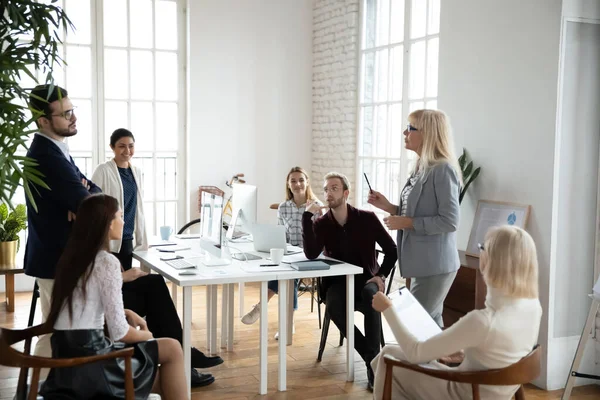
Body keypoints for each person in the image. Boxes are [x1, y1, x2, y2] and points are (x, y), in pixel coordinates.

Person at [92, 128, 220, 386]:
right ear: (112, 147)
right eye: (121, 146)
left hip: (126, 239)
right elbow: (95, 207)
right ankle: (184, 357)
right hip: (111, 244)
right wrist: (121, 275)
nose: (126, 150)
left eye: (130, 145)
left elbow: (136, 209)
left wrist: (142, 243)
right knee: (154, 287)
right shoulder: (103, 172)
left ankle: (183, 355)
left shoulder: (136, 172)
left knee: (155, 283)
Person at [39, 194, 188, 400]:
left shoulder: (72, 258)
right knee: (172, 348)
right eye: (120, 216)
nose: (124, 221)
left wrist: (125, 311)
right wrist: (147, 334)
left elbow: (85, 307)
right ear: (108, 224)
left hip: (66, 363)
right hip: (91, 362)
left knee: (165, 377)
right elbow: (120, 332)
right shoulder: (106, 262)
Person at [371, 225, 542, 400]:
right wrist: (467, 353)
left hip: (463, 393)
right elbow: (501, 353)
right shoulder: (533, 308)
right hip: (489, 391)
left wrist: (388, 309)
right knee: (388, 354)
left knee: (386, 358)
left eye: (482, 247)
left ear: (491, 262)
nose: (480, 251)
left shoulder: (483, 321)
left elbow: (415, 352)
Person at [24, 84, 101, 358]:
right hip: (56, 257)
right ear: (43, 120)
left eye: (72, 110)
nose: (73, 118)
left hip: (58, 255)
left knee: (58, 331)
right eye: (66, 113)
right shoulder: (46, 155)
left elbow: (94, 193)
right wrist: (81, 202)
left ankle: (41, 388)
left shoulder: (57, 149)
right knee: (57, 333)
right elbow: (90, 204)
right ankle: (41, 388)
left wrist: (83, 197)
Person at [303, 172, 398, 390]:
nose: (329, 193)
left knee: (372, 295)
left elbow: (392, 250)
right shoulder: (322, 223)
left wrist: (381, 275)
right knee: (334, 303)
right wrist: (307, 217)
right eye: (326, 189)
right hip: (337, 283)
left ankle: (372, 362)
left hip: (367, 280)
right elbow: (310, 253)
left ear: (346, 193)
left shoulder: (367, 218)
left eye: (334, 188)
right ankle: (373, 359)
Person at [368, 109, 461, 327]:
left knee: (417, 324)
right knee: (430, 323)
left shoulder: (442, 169)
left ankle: (425, 361)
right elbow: (418, 210)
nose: (404, 132)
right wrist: (389, 206)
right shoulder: (421, 167)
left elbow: (450, 221)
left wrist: (407, 223)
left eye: (411, 128)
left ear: (428, 133)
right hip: (422, 263)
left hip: (436, 264)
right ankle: (438, 360)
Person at [241, 167, 324, 340]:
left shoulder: (316, 207)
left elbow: (319, 237)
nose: (297, 184)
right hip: (288, 252)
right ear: (288, 184)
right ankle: (285, 321)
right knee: (278, 268)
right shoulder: (283, 207)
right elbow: (280, 234)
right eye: (293, 181)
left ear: (307, 182)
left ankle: (263, 308)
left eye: (301, 180)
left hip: (307, 254)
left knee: (288, 274)